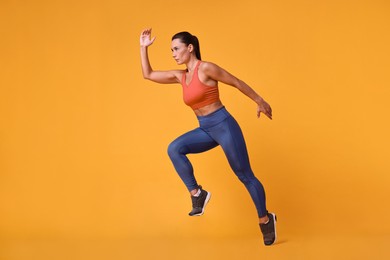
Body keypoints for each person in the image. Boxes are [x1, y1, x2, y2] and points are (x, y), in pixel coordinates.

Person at [139, 28, 277, 246]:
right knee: (174, 148)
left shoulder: (207, 68)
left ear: (190, 48)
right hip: (205, 129)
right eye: (171, 50)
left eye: (176, 49)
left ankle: (265, 219)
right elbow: (148, 74)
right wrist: (143, 47)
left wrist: (260, 100)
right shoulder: (180, 76)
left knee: (245, 175)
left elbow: (236, 82)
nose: (173, 53)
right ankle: (197, 194)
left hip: (224, 126)